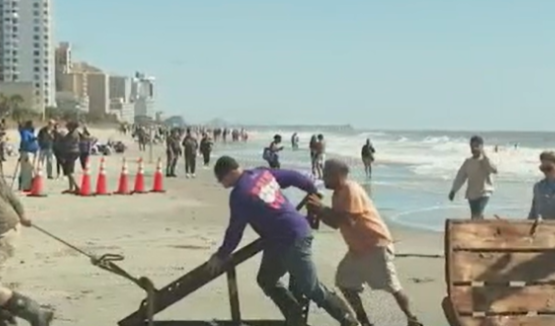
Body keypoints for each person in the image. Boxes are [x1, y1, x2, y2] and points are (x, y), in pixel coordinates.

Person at [206, 156, 359, 326]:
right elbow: (295, 177)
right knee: (266, 279)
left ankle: (349, 321)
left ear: (230, 173)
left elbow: (235, 231)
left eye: (221, 179)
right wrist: (312, 190)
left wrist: (221, 255)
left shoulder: (240, 194)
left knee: (310, 287)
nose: (222, 184)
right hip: (277, 241)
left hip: (293, 239)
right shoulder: (262, 173)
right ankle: (294, 317)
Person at [307, 159, 423, 326]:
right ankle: (364, 320)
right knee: (344, 282)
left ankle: (412, 319)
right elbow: (335, 223)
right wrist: (319, 213)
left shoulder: (350, 189)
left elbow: (349, 220)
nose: (323, 178)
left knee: (392, 286)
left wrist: (322, 209)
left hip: (376, 245)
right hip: (357, 250)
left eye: (326, 175)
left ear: (337, 175)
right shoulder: (337, 194)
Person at [0, 126, 54, 326]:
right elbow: (4, 187)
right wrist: (21, 213)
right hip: (4, 225)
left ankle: (36, 313)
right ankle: (7, 322)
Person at [448, 135, 498, 219]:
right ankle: (480, 230)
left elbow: (494, 170)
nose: (474, 149)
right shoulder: (468, 162)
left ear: (481, 147)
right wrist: (453, 190)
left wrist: (484, 155)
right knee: (475, 216)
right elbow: (460, 177)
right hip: (472, 194)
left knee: (478, 213)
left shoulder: (485, 161)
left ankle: (480, 229)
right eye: (472, 146)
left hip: (484, 192)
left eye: (476, 146)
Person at [60, 121, 81, 193]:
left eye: (68, 127)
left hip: (71, 152)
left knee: (69, 171)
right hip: (73, 152)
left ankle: (77, 187)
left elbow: (66, 142)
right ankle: (71, 188)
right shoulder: (74, 133)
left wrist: (62, 137)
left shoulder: (72, 134)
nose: (67, 128)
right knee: (70, 171)